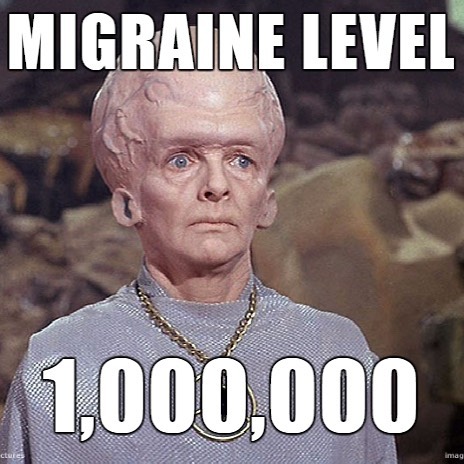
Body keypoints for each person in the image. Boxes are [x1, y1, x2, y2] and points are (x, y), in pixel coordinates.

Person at [0, 38, 397, 463]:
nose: (217, 185)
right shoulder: (62, 364)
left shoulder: (337, 353)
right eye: (181, 160)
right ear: (128, 203)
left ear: (267, 202)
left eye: (241, 160)